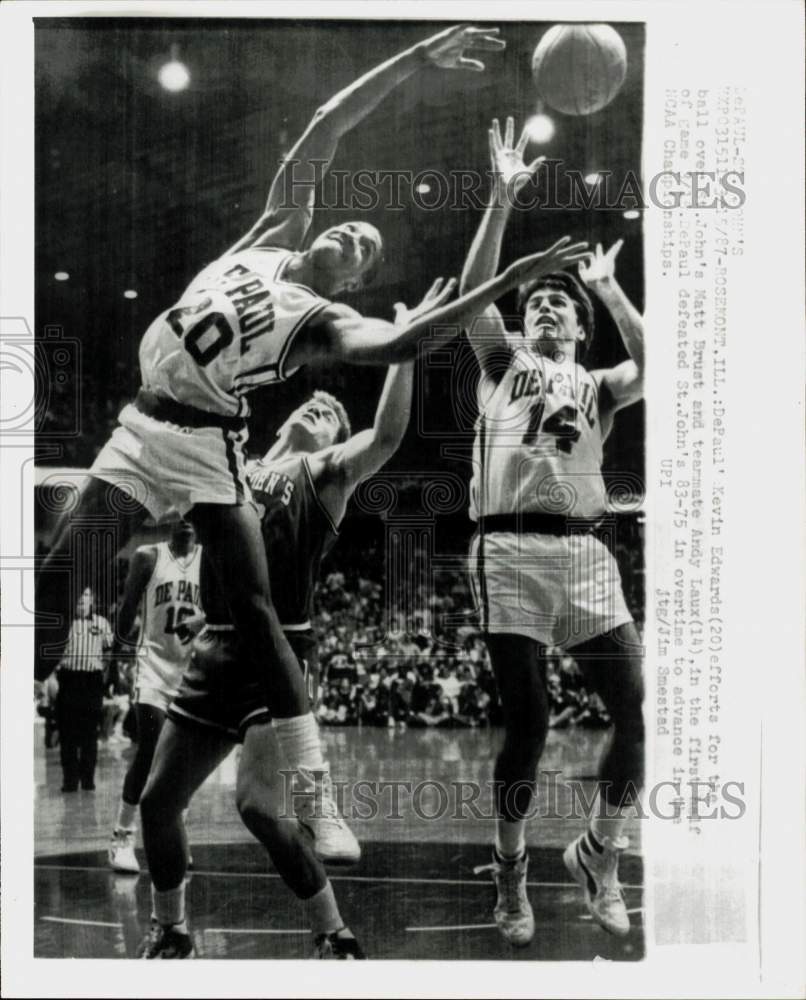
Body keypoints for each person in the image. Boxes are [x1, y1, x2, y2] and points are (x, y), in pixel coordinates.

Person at [34, 25, 580, 818]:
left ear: (354, 280)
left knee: (259, 611)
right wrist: (414, 60)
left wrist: (507, 277)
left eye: (365, 247)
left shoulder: (322, 321)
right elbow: (327, 124)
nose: (353, 234)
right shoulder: (271, 233)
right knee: (63, 572)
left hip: (204, 442)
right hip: (138, 428)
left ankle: (314, 788)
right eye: (354, 226)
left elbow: (400, 340)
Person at [136, 282, 444, 959]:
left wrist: (405, 348)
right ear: (283, 416)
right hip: (214, 649)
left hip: (277, 660)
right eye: (315, 399)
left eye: (335, 411)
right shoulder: (230, 466)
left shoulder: (321, 473)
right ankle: (172, 929)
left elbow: (388, 435)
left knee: (258, 809)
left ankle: (333, 932)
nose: (323, 404)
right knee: (158, 805)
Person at [460, 118, 645, 943]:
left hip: (585, 552)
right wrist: (499, 201)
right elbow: (472, 297)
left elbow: (659, 360)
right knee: (529, 722)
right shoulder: (505, 365)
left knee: (637, 716)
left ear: (576, 327)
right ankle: (511, 867)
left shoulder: (599, 380)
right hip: (509, 548)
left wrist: (606, 288)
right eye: (534, 299)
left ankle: (599, 853)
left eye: (556, 302)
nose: (542, 305)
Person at [108, 520, 204, 874]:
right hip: (152, 666)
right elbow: (128, 608)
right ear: (168, 514)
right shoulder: (148, 556)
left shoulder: (209, 561)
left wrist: (200, 622)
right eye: (179, 509)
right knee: (150, 751)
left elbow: (225, 608)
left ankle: (174, 834)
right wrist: (113, 661)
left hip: (192, 671)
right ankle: (122, 835)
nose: (186, 518)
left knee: (182, 761)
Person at [54, 588, 113, 792]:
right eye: (78, 595)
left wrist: (103, 676)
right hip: (69, 679)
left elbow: (108, 651)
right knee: (67, 733)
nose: (81, 599)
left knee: (90, 733)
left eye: (86, 595)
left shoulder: (102, 623)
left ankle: (88, 779)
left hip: (91, 681)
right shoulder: (64, 622)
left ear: (92, 601)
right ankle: (70, 780)